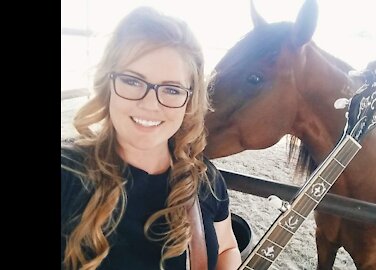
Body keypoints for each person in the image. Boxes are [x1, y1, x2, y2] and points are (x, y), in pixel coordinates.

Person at [61, 7, 241, 270]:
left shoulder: (204, 179)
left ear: (189, 101)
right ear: (107, 84)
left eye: (171, 89)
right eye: (133, 81)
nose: (150, 104)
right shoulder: (67, 173)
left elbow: (227, 247)